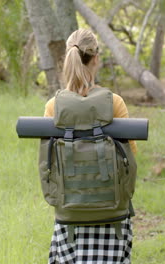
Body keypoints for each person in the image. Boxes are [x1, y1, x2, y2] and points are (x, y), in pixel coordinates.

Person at [43, 29, 137, 264]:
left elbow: (48, 164)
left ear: (68, 58)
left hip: (69, 214)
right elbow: (131, 158)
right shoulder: (114, 103)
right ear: (96, 59)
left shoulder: (54, 106)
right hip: (113, 213)